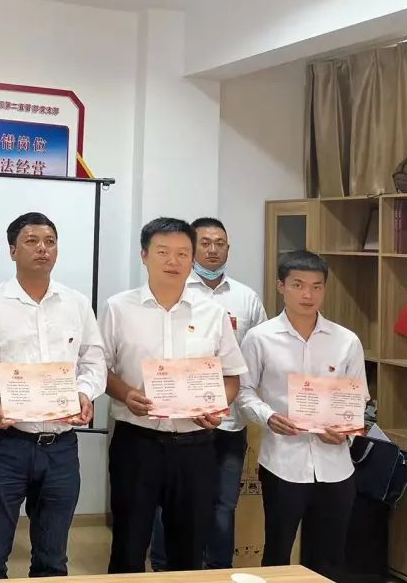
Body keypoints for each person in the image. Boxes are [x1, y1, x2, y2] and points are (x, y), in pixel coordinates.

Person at [101, 217, 246, 573]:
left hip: (196, 446)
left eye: (183, 253)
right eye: (163, 251)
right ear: (144, 255)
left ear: (192, 258)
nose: (173, 261)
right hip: (138, 443)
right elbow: (99, 370)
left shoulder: (212, 313)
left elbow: (231, 376)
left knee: (190, 546)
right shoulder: (118, 308)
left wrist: (217, 406)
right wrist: (127, 393)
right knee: (129, 543)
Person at [0, 212, 106, 579]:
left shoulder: (76, 303)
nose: (42, 248)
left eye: (50, 242)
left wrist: (85, 392)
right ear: (12, 251)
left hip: (60, 447)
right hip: (4, 444)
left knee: (52, 558)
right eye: (31, 241)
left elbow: (94, 359)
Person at [238, 251, 366, 581]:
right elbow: (243, 391)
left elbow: (358, 399)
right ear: (281, 286)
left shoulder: (346, 341)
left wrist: (347, 431)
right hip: (283, 463)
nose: (308, 294)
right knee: (278, 553)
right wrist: (268, 416)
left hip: (336, 467)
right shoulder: (260, 338)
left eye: (316, 286)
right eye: (298, 285)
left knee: (329, 557)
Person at [150, 217, 268, 571]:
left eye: (220, 243)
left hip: (228, 422)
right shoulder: (173, 291)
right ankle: (164, 568)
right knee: (169, 502)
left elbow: (259, 353)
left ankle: (217, 570)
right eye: (205, 243)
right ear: (191, 248)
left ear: (228, 249)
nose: (213, 250)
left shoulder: (246, 298)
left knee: (223, 504)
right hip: (178, 422)